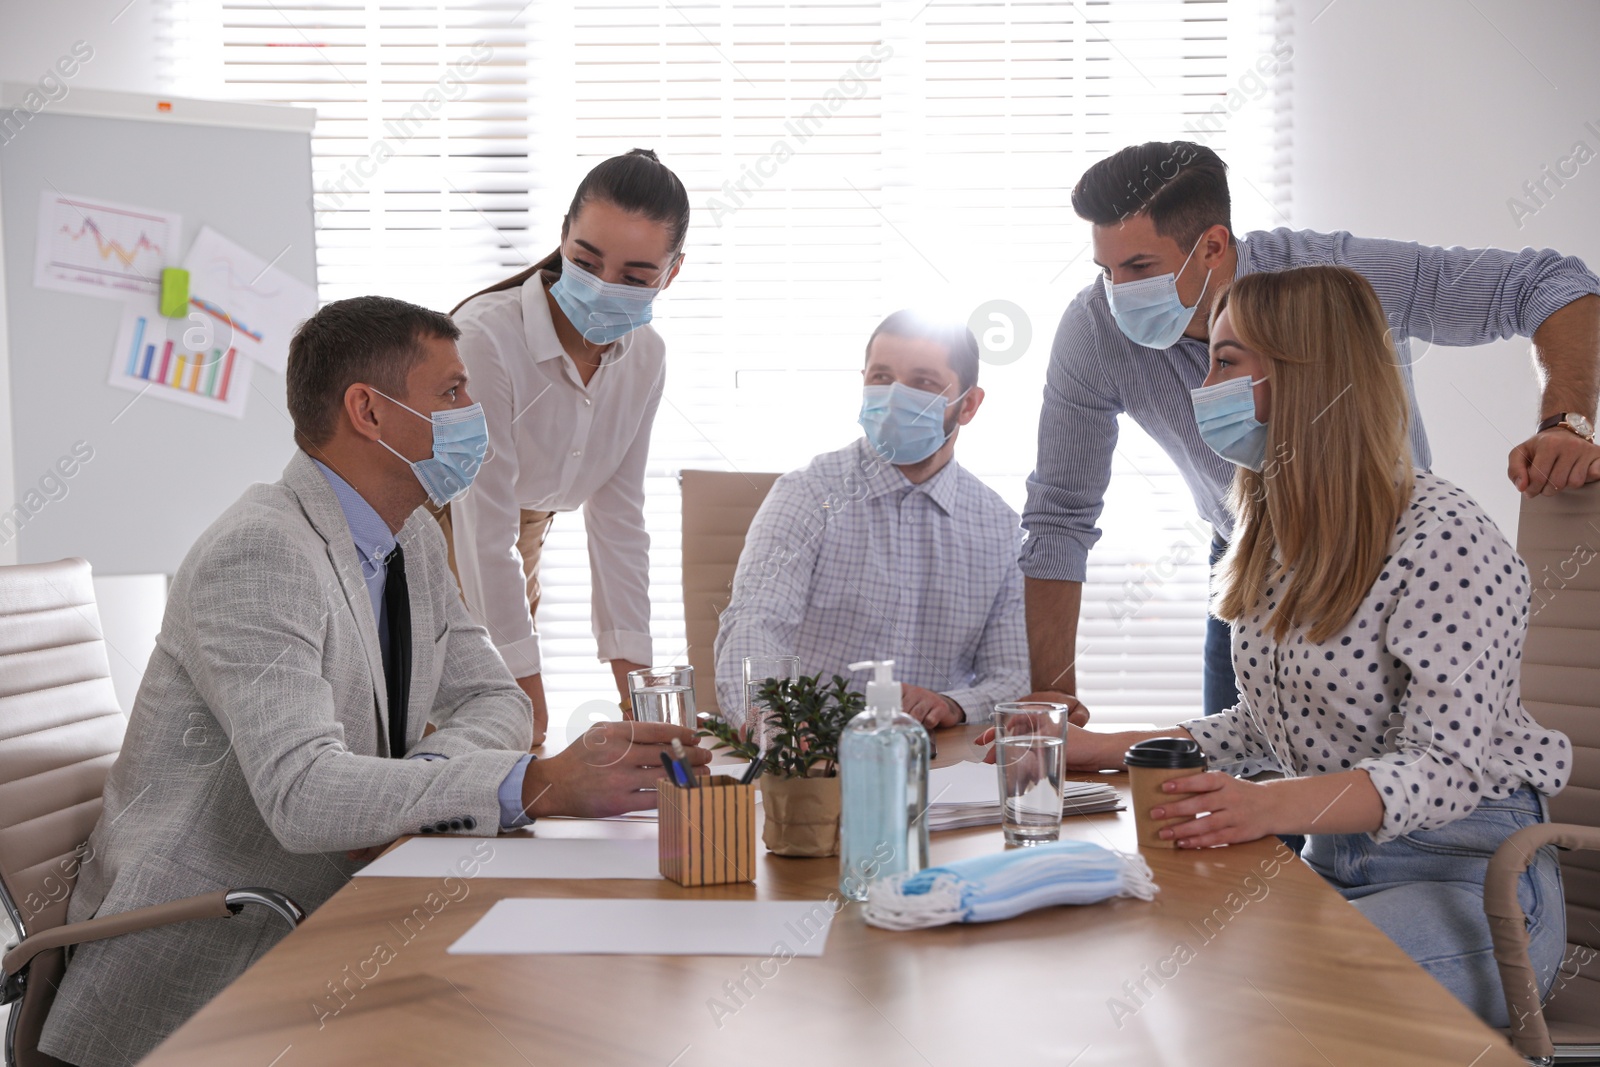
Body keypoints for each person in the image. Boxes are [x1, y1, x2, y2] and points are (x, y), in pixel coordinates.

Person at [38, 296, 710, 1067]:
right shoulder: (261, 550)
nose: (474, 410)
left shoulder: (412, 537)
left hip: (337, 917)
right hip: (208, 965)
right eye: (453, 391)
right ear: (370, 411)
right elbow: (303, 795)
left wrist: (414, 780)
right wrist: (535, 784)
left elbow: (495, 698)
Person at [995, 266, 1570, 1026]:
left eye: (1226, 360)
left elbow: (1444, 769)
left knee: (1263, 1002)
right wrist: (1096, 746)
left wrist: (1264, 806)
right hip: (1329, 867)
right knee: (1155, 959)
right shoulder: (1273, 532)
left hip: (1470, 886)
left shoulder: (1446, 537)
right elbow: (1264, 725)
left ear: (1306, 373)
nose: (1203, 383)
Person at [1023, 140, 1600, 724]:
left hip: (1379, 547)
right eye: (1106, 271)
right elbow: (1058, 515)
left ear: (1213, 246)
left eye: (1139, 268)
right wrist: (1051, 705)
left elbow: (1550, 284)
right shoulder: (1094, 331)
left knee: (1390, 765)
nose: (1118, 293)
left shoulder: (1335, 278)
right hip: (1249, 558)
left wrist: (1567, 423)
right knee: (1239, 781)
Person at [441, 148, 689, 746]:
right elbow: (481, 530)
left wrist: (641, 701)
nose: (604, 288)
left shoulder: (646, 358)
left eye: (634, 278)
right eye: (585, 261)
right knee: (469, 743)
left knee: (504, 750)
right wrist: (528, 701)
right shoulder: (486, 338)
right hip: (435, 537)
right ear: (562, 238)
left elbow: (619, 522)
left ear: (671, 273)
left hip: (520, 535)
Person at [714, 310, 1038, 728]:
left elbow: (1012, 677)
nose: (896, 396)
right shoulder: (807, 494)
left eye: (922, 382)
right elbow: (755, 627)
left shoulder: (999, 528)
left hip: (936, 762)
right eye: (882, 378)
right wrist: (775, 727)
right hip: (813, 755)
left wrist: (954, 705)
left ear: (969, 405)